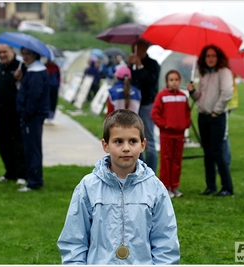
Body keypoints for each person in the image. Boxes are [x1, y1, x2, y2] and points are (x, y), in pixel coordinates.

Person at [57, 109, 180, 264]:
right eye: (118, 141)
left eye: (133, 141)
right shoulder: (88, 187)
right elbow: (74, 241)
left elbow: (166, 243)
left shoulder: (155, 189)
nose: (126, 148)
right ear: (105, 145)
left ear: (142, 145)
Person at [186, 45, 234, 197]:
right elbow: (200, 97)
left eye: (213, 55)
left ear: (218, 57)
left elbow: (227, 93)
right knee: (207, 152)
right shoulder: (205, 74)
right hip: (203, 116)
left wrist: (216, 111)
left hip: (216, 117)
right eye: (208, 56)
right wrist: (193, 92)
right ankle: (210, 185)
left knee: (217, 152)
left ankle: (227, 187)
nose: (211, 58)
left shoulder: (224, 72)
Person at [151, 70, 191, 198]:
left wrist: (185, 124)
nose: (174, 82)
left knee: (177, 161)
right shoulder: (162, 96)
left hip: (179, 134)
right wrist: (164, 125)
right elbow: (155, 113)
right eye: (171, 80)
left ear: (180, 81)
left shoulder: (183, 96)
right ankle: (165, 186)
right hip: (166, 134)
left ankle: (175, 186)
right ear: (167, 82)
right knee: (166, 160)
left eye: (176, 80)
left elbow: (187, 112)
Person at [0, 43, 27, 186]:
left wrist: (20, 79)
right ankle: (9, 171)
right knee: (3, 143)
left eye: (4, 52)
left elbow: (26, 87)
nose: (2, 55)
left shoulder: (20, 66)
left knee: (17, 144)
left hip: (14, 112)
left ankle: (21, 173)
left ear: (11, 51)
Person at [16, 47, 50, 192]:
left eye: (27, 54)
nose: (24, 57)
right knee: (30, 147)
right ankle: (32, 178)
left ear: (35, 55)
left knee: (32, 148)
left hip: (32, 117)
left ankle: (35, 181)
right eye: (22, 54)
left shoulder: (36, 72)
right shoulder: (31, 70)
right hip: (31, 116)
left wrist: (26, 114)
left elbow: (34, 97)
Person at [128, 39, 160, 172]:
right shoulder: (132, 63)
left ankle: (151, 172)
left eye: (140, 48)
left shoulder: (153, 64)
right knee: (136, 138)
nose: (137, 51)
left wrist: (140, 66)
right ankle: (140, 169)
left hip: (147, 103)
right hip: (134, 104)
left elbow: (150, 82)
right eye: (135, 48)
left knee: (149, 138)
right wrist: (129, 67)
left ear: (146, 48)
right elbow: (128, 81)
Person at [44, 56, 61, 124]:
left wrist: (58, 84)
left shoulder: (56, 67)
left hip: (54, 86)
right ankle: (46, 115)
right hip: (47, 87)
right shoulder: (45, 66)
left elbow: (59, 76)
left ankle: (51, 117)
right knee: (46, 101)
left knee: (53, 102)